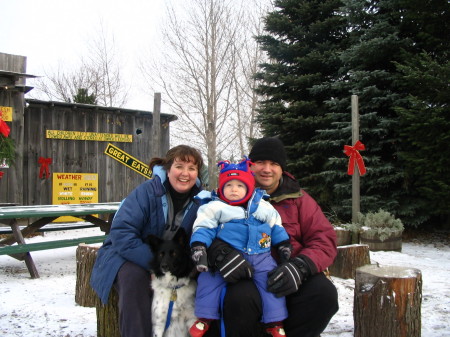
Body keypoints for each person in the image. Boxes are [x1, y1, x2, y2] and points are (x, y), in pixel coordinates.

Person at [204, 137, 339, 337]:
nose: (267, 169)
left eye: (274, 163)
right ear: (250, 165)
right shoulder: (228, 195)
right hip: (246, 273)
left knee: (323, 293)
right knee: (239, 297)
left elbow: (324, 239)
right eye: (261, 162)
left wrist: (301, 266)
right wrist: (220, 253)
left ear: (282, 168)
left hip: (289, 273)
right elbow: (202, 228)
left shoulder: (299, 200)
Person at [90, 145, 204, 337]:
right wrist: (156, 267)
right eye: (179, 166)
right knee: (135, 279)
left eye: (192, 169)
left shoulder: (200, 201)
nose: (185, 173)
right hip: (130, 256)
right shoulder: (146, 193)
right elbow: (122, 233)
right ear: (168, 169)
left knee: (205, 282)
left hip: (174, 262)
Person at [189, 157, 292, 337]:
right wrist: (199, 246)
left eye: (239, 185)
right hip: (228, 259)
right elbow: (204, 226)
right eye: (229, 186)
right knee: (208, 280)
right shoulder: (215, 207)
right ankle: (205, 317)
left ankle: (274, 321)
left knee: (271, 284)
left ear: (249, 188)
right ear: (222, 189)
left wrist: (283, 244)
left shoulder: (263, 206)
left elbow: (276, 225)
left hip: (261, 257)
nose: (234, 190)